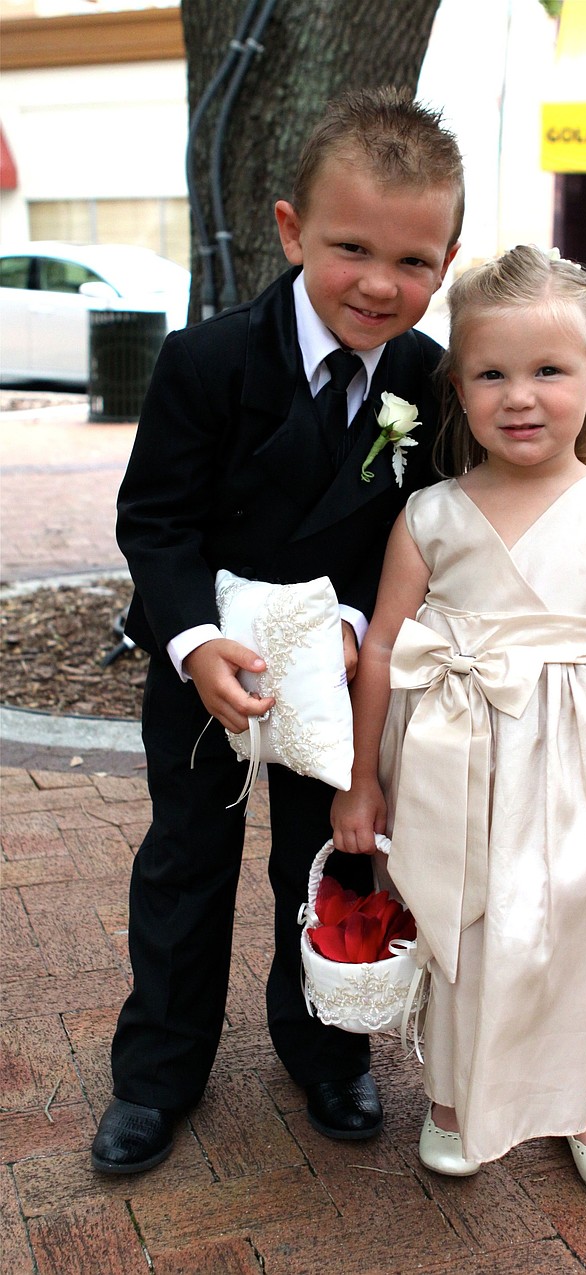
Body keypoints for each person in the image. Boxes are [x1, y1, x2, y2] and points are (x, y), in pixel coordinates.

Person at [91, 87, 464, 1175]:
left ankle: (329, 1049)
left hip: (339, 678)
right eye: (351, 248)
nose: (380, 284)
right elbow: (153, 519)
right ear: (292, 228)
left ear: (446, 257)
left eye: (414, 260)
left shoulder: (425, 379)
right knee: (185, 862)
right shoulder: (206, 362)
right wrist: (196, 643)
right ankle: (158, 1075)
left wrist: (355, 626)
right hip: (209, 661)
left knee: (330, 860)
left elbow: (422, 528)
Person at [330, 245, 586, 1191]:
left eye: (549, 371)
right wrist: (362, 779)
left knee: (566, 924)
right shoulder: (431, 515)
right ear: (459, 389)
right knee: (463, 923)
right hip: (452, 765)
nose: (521, 396)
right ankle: (453, 1090)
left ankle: (579, 1094)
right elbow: (387, 649)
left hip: (567, 771)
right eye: (493, 373)